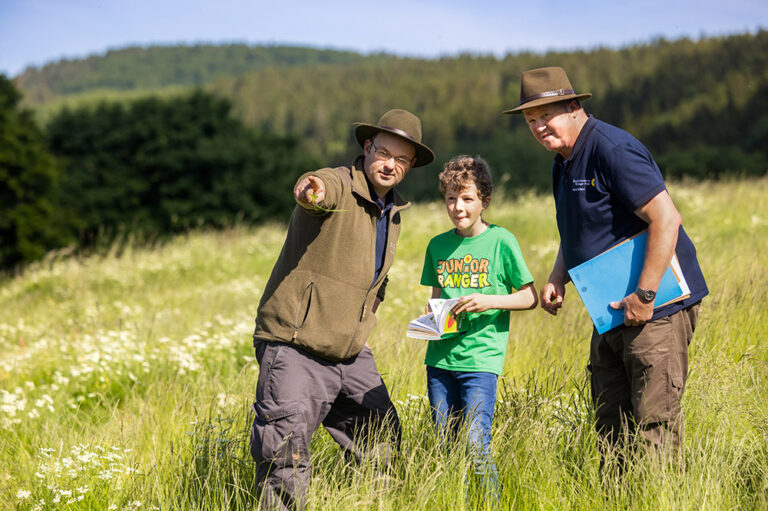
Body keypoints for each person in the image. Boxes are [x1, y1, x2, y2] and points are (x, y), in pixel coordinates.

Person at [504, 67, 708, 457]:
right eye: (531, 121)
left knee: (654, 424)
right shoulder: (562, 161)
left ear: (575, 106)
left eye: (547, 115)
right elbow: (578, 229)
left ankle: (660, 499)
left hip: (657, 308)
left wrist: (644, 295)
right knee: (610, 424)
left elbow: (666, 219)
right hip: (610, 309)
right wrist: (557, 277)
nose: (539, 127)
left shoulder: (611, 148)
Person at [250, 109, 434, 510]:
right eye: (383, 153)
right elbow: (317, 187)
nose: (389, 164)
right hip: (296, 345)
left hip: (349, 354)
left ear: (411, 165)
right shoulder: (339, 185)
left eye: (401, 159)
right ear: (367, 148)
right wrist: (309, 189)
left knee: (381, 436)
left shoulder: (391, 212)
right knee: (285, 455)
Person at [419, 155, 537, 499]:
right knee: (446, 447)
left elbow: (528, 296)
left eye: (467, 198)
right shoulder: (437, 246)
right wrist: (429, 319)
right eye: (451, 198)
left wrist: (489, 300)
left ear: (484, 200)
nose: (458, 207)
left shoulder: (502, 241)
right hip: (439, 362)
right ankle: (458, 502)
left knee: (475, 445)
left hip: (480, 363)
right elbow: (436, 300)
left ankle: (491, 503)